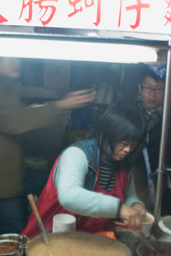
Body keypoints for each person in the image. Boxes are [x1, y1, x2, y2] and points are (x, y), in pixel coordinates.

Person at [0, 57, 96, 236]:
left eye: (18, 57)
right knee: (15, 244)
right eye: (10, 58)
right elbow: (15, 121)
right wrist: (61, 105)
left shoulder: (2, 83)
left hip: (4, 181)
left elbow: (14, 116)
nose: (16, 62)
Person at [22, 102, 147, 237]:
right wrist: (119, 209)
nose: (128, 150)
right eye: (124, 143)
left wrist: (135, 205)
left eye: (133, 145)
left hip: (91, 240)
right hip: (50, 237)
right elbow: (68, 196)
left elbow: (129, 195)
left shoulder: (124, 164)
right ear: (109, 134)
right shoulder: (78, 154)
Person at [129, 66, 171, 216]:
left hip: (160, 185)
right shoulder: (127, 113)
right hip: (130, 181)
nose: (152, 94)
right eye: (148, 88)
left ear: (166, 91)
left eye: (159, 89)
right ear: (139, 88)